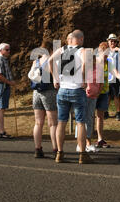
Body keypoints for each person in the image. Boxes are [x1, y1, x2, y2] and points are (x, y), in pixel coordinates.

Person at [49, 29, 93, 164]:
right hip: (77, 89)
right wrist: (85, 79)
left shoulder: (62, 49)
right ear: (80, 39)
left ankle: (60, 153)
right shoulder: (83, 51)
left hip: (62, 89)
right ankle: (82, 154)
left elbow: (50, 61)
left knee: (61, 122)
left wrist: (55, 79)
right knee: (80, 122)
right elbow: (86, 64)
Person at [29, 41, 58, 158]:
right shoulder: (51, 61)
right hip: (49, 92)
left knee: (38, 122)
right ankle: (56, 149)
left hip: (36, 92)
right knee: (53, 123)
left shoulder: (36, 61)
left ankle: (38, 148)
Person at [0, 43, 17, 138]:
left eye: (9, 49)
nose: (8, 51)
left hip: (2, 85)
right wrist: (10, 83)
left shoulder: (4, 60)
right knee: (1, 109)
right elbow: (0, 76)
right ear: (0, 50)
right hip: (2, 85)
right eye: (6, 50)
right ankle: (2, 131)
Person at [95, 42, 111, 148]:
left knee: (100, 116)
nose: (106, 56)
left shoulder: (109, 63)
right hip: (93, 92)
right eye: (104, 53)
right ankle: (85, 140)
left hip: (104, 92)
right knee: (89, 116)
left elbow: (116, 74)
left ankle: (100, 139)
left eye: (107, 53)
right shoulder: (93, 62)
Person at [106, 34, 120, 121]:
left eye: (114, 41)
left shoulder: (118, 51)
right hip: (107, 76)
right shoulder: (106, 51)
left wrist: (119, 50)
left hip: (116, 76)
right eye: (111, 41)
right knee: (107, 95)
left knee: (116, 95)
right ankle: (105, 111)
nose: (113, 42)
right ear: (108, 41)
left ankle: (118, 112)